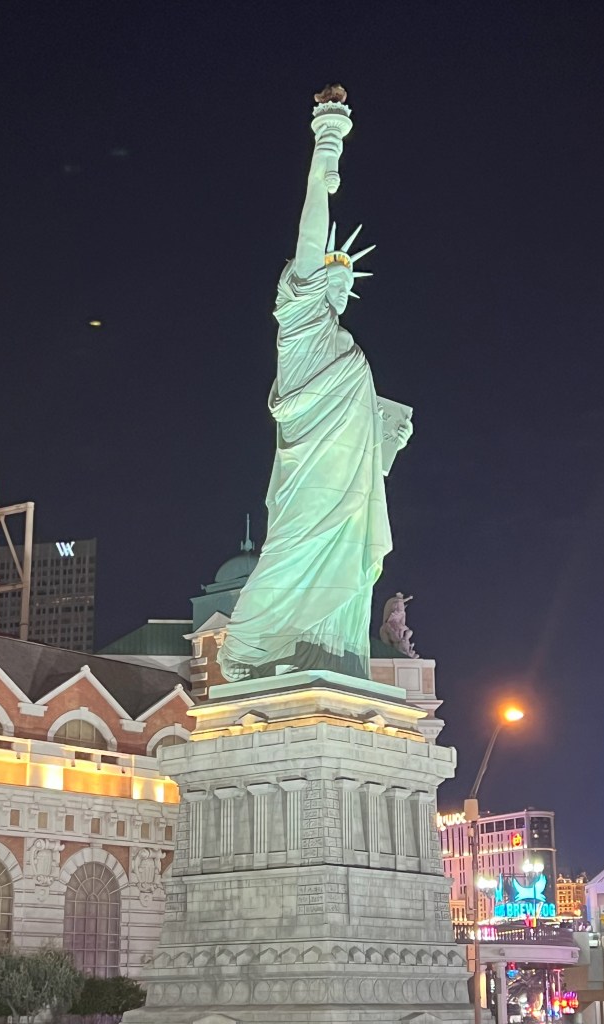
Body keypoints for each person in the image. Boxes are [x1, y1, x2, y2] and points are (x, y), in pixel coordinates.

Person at [217, 90, 412, 683]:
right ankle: (249, 649)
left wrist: (387, 442)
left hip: (347, 492)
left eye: (347, 282)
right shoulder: (302, 327)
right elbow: (310, 238)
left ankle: (329, 655)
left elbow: (362, 454)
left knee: (345, 562)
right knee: (289, 553)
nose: (340, 285)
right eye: (333, 275)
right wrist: (328, 147)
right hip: (305, 482)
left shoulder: (348, 349)